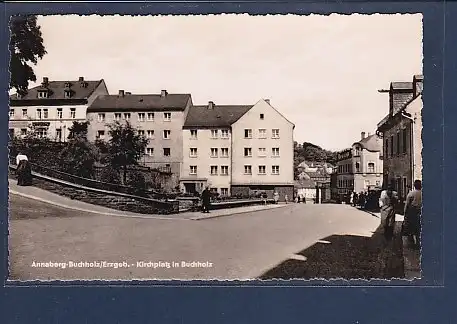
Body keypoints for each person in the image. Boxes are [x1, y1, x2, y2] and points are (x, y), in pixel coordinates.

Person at [403, 180, 422, 249]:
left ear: (414, 185)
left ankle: (412, 243)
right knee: (419, 228)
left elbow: (407, 205)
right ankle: (418, 243)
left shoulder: (411, 194)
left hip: (413, 213)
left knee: (411, 228)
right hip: (421, 212)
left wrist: (405, 214)